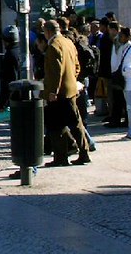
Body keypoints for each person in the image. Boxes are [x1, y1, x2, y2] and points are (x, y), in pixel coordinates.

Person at [42, 20, 90, 167]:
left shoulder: (53, 46)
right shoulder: (68, 42)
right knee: (76, 123)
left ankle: (61, 157)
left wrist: (52, 92)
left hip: (59, 93)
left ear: (48, 31)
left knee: (55, 126)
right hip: (71, 90)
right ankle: (84, 153)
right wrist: (72, 80)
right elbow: (76, 66)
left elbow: (56, 72)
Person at [0, 25, 21, 112]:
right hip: (25, 94)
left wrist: (2, 103)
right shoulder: (22, 51)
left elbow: (7, 80)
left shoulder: (9, 55)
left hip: (14, 97)